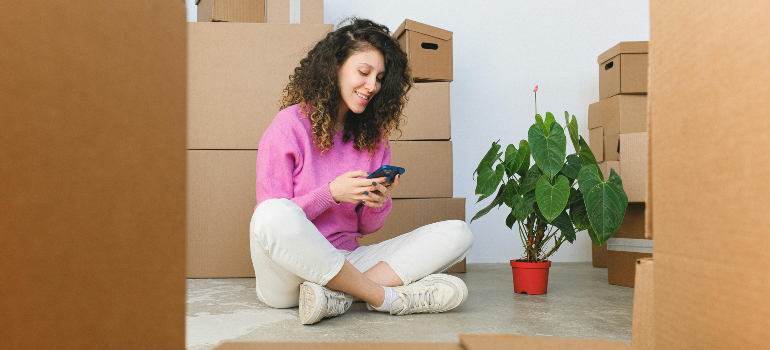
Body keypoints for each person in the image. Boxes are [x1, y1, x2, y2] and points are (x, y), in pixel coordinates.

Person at [250, 18, 474, 325]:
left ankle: (337, 296)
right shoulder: (289, 126)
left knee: (458, 233)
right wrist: (330, 194)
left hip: (347, 260)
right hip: (288, 273)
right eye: (364, 72)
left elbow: (366, 229)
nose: (373, 86)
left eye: (380, 77)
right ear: (335, 68)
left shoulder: (373, 136)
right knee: (270, 214)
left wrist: (377, 203)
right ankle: (385, 297)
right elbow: (274, 220)